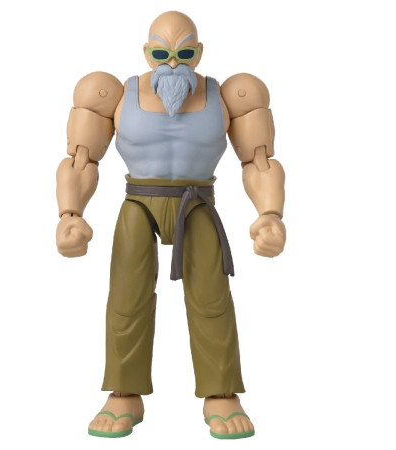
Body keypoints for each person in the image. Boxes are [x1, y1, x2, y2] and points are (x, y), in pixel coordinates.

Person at [56, 10, 286, 440]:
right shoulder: (111, 93)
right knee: (126, 296)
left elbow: (259, 161)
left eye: (184, 54)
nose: (174, 63)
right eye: (163, 54)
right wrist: (71, 214)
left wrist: (269, 214)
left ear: (199, 52)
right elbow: (80, 160)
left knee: (212, 298)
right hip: (138, 201)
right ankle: (124, 392)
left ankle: (221, 393)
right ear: (147, 53)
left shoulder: (231, 94)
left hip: (197, 203)